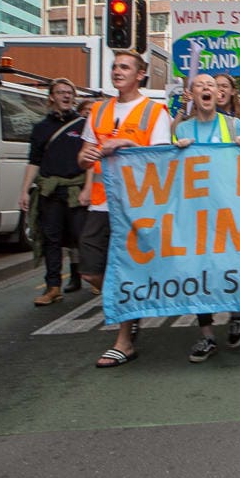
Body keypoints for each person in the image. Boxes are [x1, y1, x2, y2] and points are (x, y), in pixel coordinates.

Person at [78, 50, 172, 368]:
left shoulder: (155, 112)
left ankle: (124, 341)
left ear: (140, 74)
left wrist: (126, 145)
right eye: (115, 66)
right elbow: (84, 156)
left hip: (134, 206)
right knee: (90, 269)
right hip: (102, 204)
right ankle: (133, 305)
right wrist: (87, 161)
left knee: (125, 270)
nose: (118, 71)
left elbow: (159, 160)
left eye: (125, 67)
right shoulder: (99, 110)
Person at [173, 74, 240, 362]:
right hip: (195, 212)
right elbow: (168, 169)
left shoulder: (233, 125)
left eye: (212, 86)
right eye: (200, 85)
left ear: (220, 94)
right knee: (199, 272)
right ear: (191, 94)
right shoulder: (182, 128)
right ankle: (207, 336)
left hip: (228, 209)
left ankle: (237, 313)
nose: (207, 89)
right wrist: (175, 151)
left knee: (231, 265)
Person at [20, 78, 87, 306]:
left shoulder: (84, 125)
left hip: (76, 190)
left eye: (69, 92)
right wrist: (25, 191)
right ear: (52, 97)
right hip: (50, 191)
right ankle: (53, 287)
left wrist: (88, 188)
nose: (66, 96)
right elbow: (34, 161)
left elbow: (92, 160)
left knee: (82, 237)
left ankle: (95, 278)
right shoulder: (41, 128)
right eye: (61, 92)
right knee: (51, 239)